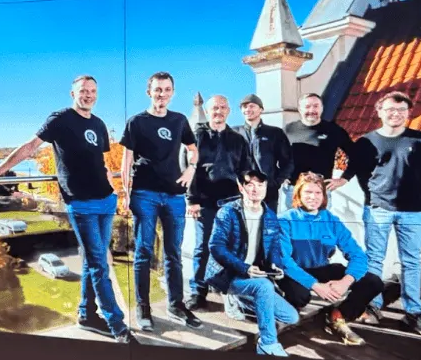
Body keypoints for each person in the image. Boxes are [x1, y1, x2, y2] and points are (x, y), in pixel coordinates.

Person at [0, 75, 133, 342]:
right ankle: (118, 325)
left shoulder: (98, 124)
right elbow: (30, 147)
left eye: (93, 91)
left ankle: (87, 316)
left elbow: (99, 161)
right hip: (81, 203)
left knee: (92, 260)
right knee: (100, 264)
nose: (88, 95)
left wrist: (116, 193)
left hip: (106, 200)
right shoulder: (60, 119)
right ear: (72, 93)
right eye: (83, 91)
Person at [346, 90, 421, 338]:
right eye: (390, 109)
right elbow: (361, 174)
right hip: (378, 210)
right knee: (374, 260)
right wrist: (376, 195)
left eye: (400, 110)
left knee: (411, 262)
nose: (395, 114)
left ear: (408, 113)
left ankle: (414, 313)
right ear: (379, 111)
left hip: (413, 211)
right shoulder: (367, 141)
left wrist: (414, 196)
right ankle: (374, 307)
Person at [120, 72, 202, 331]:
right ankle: (142, 309)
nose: (162, 94)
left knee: (173, 254)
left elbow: (193, 149)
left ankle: (176, 305)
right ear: (149, 92)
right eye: (157, 90)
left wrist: (191, 169)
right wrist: (125, 193)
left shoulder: (179, 120)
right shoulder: (136, 122)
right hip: (144, 195)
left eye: (166, 90)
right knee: (144, 252)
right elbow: (126, 160)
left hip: (175, 196)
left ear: (172, 93)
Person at [276, 171, 383, 346]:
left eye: (318, 193)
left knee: (373, 282)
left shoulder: (331, 220)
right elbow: (285, 262)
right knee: (301, 296)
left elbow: (358, 255)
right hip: (293, 272)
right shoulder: (285, 220)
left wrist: (346, 281)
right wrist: (316, 286)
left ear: (324, 196)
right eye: (308, 192)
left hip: (320, 268)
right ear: (298, 195)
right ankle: (281, 307)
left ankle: (337, 317)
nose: (313, 197)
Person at [203, 169, 299, 356]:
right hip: (227, 274)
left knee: (291, 316)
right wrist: (244, 268)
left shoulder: (270, 215)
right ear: (241, 187)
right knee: (264, 287)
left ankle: (238, 299)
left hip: (253, 276)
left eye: (260, 185)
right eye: (250, 184)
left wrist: (275, 265)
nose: (256, 189)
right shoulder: (228, 212)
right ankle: (268, 344)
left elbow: (274, 249)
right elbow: (216, 247)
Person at [185, 94, 253, 310]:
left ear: (229, 111)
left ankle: (225, 287)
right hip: (204, 200)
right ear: (208, 109)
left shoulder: (238, 139)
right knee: (203, 246)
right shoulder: (197, 135)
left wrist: (247, 195)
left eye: (223, 107)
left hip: (231, 201)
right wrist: (191, 199)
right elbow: (187, 167)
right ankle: (198, 291)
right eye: (215, 108)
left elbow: (245, 169)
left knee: (230, 247)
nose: (219, 111)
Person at [284, 93, 357, 194]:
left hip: (321, 191)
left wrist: (344, 179)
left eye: (316, 106)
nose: (311, 110)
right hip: (294, 190)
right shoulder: (288, 130)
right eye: (307, 106)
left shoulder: (333, 130)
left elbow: (356, 155)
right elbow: (274, 155)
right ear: (300, 109)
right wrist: (280, 176)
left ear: (322, 108)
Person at [234, 94, 293, 212]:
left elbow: (287, 161)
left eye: (252, 106)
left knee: (268, 226)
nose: (248, 109)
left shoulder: (274, 133)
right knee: (243, 227)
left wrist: (276, 182)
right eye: (244, 107)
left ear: (261, 109)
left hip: (268, 191)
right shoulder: (233, 132)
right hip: (241, 191)